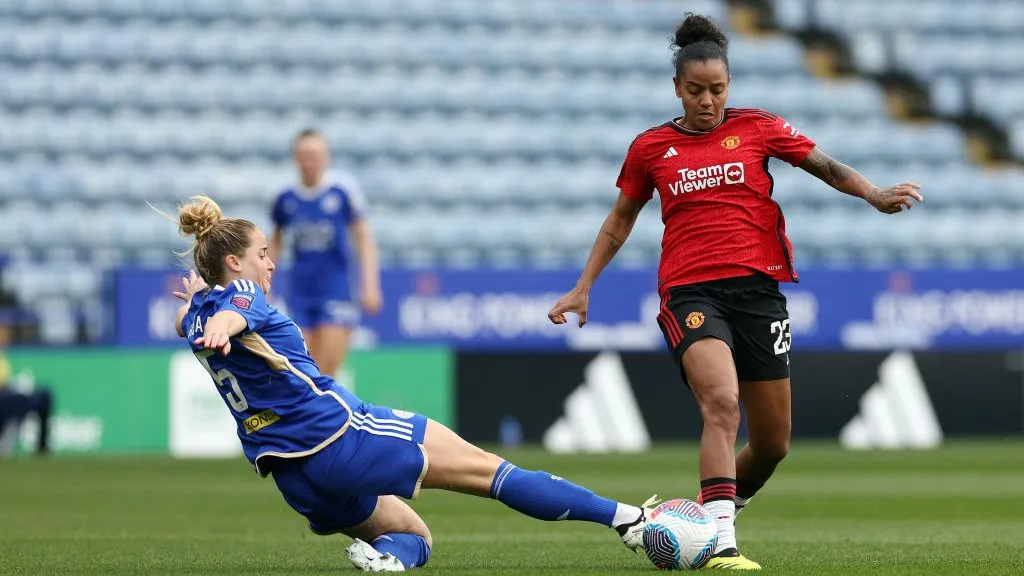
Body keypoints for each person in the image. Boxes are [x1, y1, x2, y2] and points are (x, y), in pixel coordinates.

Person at [547, 13, 923, 571]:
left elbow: (825, 166)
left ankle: (704, 516)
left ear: (729, 85)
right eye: (696, 90)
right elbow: (620, 219)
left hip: (759, 295)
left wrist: (873, 194)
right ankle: (721, 545)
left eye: (717, 89)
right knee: (722, 405)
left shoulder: (757, 128)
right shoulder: (651, 148)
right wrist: (583, 287)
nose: (707, 101)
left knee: (772, 443)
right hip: (690, 293)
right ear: (677, 87)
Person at [168, 195, 657, 572]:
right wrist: (225, 323)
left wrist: (198, 306)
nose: (271, 262)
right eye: (262, 253)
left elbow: (190, 319)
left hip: (295, 479)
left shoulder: (193, 317)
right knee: (495, 473)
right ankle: (631, 520)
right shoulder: (241, 295)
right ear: (235, 264)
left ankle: (388, 562)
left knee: (414, 536)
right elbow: (238, 310)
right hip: (343, 438)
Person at [270, 129, 382, 379]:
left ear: (326, 156)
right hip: (298, 293)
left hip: (336, 290)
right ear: (296, 158)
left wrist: (370, 285)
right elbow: (274, 243)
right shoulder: (286, 197)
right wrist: (265, 286)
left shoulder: (342, 190)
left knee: (325, 373)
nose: (309, 161)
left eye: (315, 154)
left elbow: (364, 239)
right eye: (304, 155)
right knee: (300, 371)